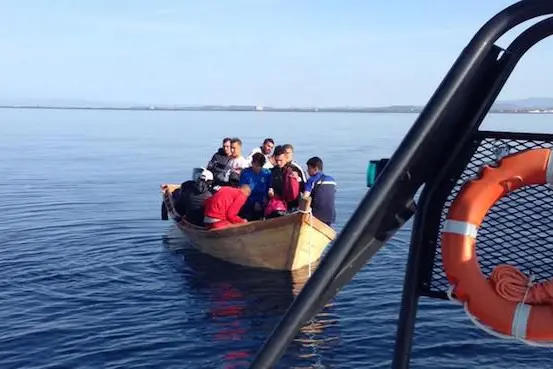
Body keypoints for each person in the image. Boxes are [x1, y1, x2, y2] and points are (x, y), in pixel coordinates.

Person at [266, 145, 300, 217]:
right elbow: (270, 185)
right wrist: (270, 190)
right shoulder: (273, 171)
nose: (278, 163)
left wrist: (298, 179)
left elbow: (304, 187)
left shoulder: (295, 169)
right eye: (276, 160)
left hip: (293, 206)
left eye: (281, 160)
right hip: (278, 205)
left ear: (285, 157)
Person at [302, 156, 336, 226]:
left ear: (315, 169)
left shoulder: (312, 180)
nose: (307, 171)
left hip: (316, 216)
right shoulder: (332, 180)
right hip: (330, 216)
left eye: (309, 168)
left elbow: (305, 197)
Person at [239, 153, 271, 220]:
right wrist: (254, 202)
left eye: (259, 166)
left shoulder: (267, 173)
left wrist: (266, 198)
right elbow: (242, 191)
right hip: (249, 201)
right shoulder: (245, 173)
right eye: (256, 165)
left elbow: (269, 188)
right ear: (252, 163)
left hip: (263, 201)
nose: (257, 168)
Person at [282, 143, 306, 209]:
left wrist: (298, 179)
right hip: (281, 202)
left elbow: (305, 186)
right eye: (284, 153)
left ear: (292, 154)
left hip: (294, 203)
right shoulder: (279, 167)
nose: (286, 155)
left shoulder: (297, 168)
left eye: (288, 153)